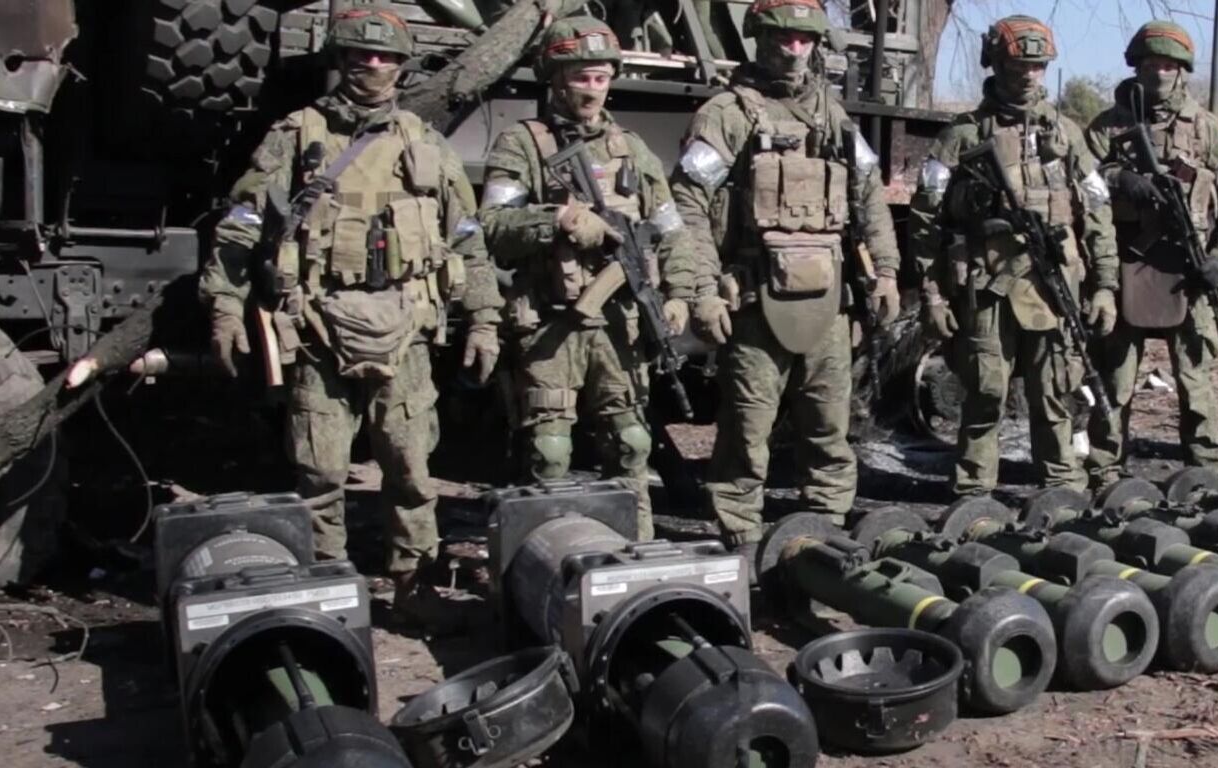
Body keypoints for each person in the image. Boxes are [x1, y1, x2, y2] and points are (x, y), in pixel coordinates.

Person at [201, 6, 502, 615]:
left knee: (412, 474)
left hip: (407, 330)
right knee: (319, 474)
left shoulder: (425, 144)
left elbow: (467, 236)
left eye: (385, 56)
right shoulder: (296, 136)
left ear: (401, 66)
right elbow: (241, 227)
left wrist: (485, 318)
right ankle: (327, 590)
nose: (372, 66)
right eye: (359, 55)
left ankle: (414, 588)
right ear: (339, 61)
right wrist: (225, 309)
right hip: (317, 326)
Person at [670, 0, 901, 550]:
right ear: (760, 40)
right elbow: (687, 206)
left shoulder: (833, 114)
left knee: (829, 427)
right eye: (783, 39)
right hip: (753, 304)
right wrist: (700, 290)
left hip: (827, 303)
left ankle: (824, 536)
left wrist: (886, 271)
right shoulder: (725, 114)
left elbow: (869, 196)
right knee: (747, 433)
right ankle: (742, 541)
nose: (794, 50)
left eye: (805, 40)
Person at [478, 16, 697, 540]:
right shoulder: (522, 145)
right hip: (552, 324)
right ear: (554, 79)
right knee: (548, 451)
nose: (593, 90)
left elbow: (672, 230)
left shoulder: (633, 149)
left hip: (620, 325)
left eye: (601, 78)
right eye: (581, 78)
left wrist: (680, 292)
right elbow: (492, 227)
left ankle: (634, 548)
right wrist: (559, 220)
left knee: (631, 444)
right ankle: (546, 552)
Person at [909, 15, 1119, 497]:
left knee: (1054, 391)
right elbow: (925, 222)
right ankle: (974, 493)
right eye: (1018, 65)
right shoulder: (960, 137)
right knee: (986, 392)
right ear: (996, 64)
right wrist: (934, 295)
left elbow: (1098, 211)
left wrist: (1105, 285)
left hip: (1052, 287)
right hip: (988, 288)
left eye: (1039, 67)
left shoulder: (1067, 135)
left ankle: (1061, 487)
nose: (1029, 76)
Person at [1082, 21, 1218, 490]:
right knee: (1114, 382)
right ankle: (1103, 470)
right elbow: (1082, 194)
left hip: (1189, 269)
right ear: (1136, 66)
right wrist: (1120, 180)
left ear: (1184, 72)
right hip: (1125, 267)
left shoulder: (1209, 130)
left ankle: (1205, 475)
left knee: (1195, 382)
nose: (1160, 73)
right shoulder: (1104, 130)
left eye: (1169, 65)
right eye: (1151, 64)